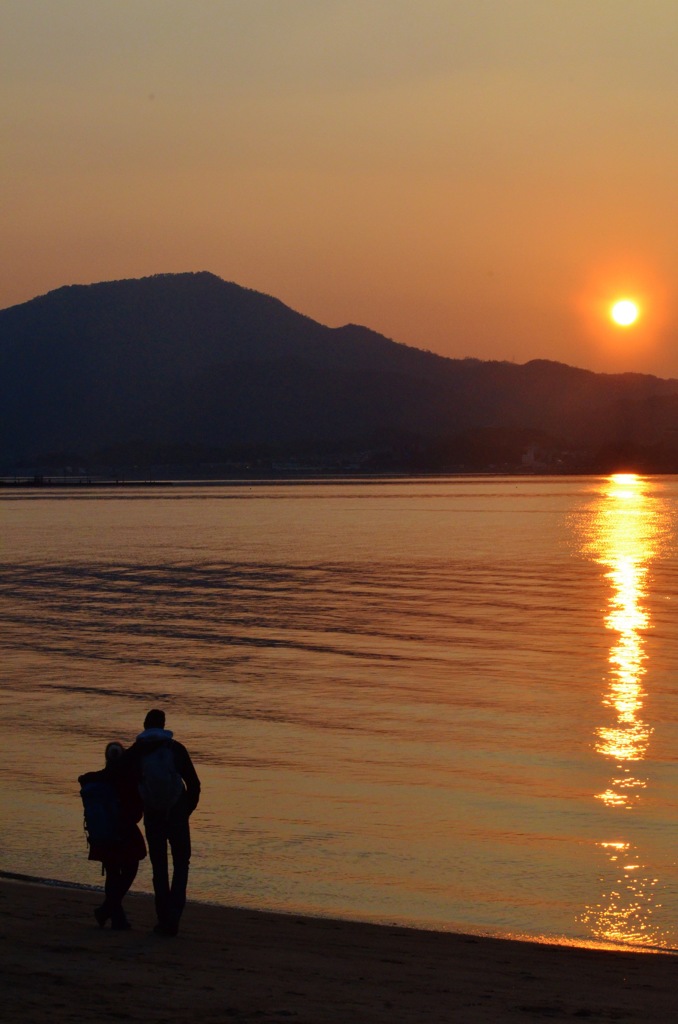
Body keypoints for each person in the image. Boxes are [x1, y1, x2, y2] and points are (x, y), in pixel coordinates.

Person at [127, 709, 201, 936]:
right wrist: (185, 811)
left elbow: (124, 779)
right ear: (163, 724)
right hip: (176, 811)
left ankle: (162, 917)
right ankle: (174, 915)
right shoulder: (175, 749)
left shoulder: (136, 751)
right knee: (181, 863)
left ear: (145, 725)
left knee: (159, 866)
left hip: (153, 813)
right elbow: (194, 785)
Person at [79, 741, 147, 930]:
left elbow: (84, 778)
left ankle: (114, 915)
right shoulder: (129, 778)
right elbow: (136, 811)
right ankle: (110, 911)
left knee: (113, 873)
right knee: (130, 868)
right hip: (123, 830)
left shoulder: (100, 777)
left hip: (103, 832)